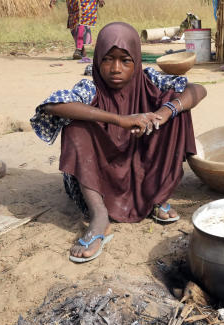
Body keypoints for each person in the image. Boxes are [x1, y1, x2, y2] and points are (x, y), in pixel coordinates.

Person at [30, 22, 207, 263]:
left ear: (136, 59)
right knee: (75, 122)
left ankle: (156, 196)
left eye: (125, 60)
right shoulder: (90, 86)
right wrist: (120, 120)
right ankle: (99, 216)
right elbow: (52, 105)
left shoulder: (149, 80)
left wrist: (165, 112)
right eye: (107, 59)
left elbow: (197, 90)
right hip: (101, 174)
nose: (115, 68)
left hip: (141, 165)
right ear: (97, 60)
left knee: (179, 110)